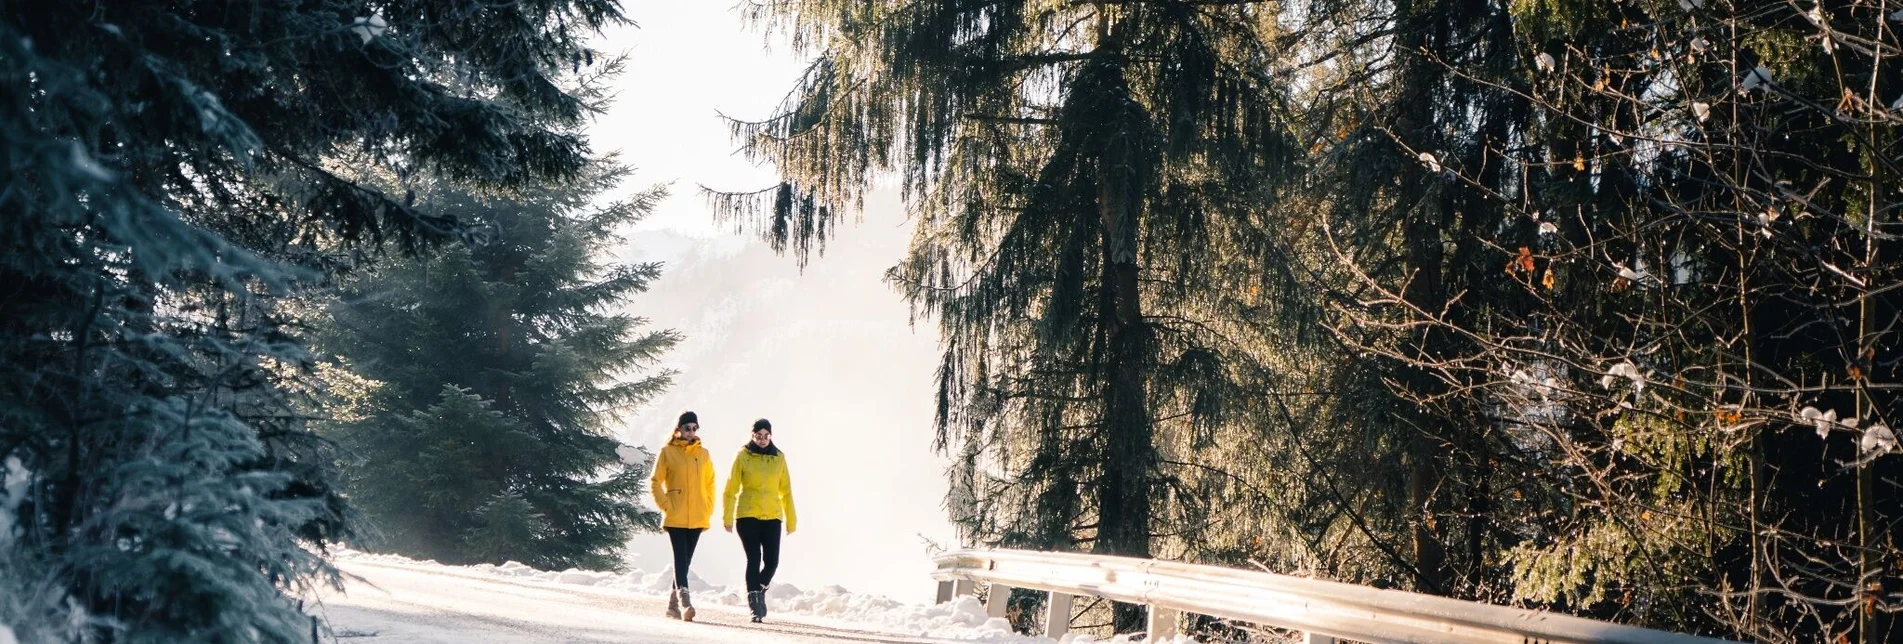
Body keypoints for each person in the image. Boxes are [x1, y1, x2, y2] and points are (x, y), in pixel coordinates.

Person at [722, 418, 797, 623]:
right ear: (752, 435)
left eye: (766, 436)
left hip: (772, 516)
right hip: (748, 515)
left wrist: (791, 520)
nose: (763, 440)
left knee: (772, 562)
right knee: (754, 558)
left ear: (770, 436)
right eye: (758, 436)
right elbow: (731, 489)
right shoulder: (743, 456)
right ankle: (754, 602)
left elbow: (786, 491)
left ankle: (760, 588)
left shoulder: (779, 458)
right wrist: (727, 517)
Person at [651, 411, 715, 621]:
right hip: (676, 515)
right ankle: (685, 602)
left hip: (697, 515)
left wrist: (707, 507)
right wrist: (666, 504)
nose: (691, 432)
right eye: (687, 428)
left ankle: (672, 606)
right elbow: (655, 481)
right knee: (680, 557)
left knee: (685, 562)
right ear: (678, 429)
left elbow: (710, 483)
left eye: (695, 428)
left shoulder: (703, 454)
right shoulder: (667, 452)